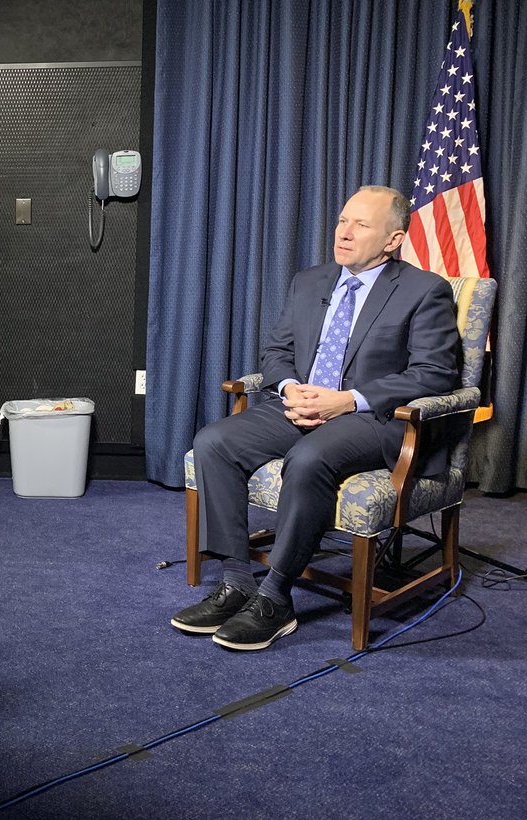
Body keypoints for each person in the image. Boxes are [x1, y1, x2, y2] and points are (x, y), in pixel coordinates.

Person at [172, 185, 461, 651]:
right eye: (342, 221)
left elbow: (435, 373)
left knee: (308, 458)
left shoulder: (424, 290)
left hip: (374, 417)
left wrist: (347, 400)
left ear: (393, 240)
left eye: (360, 225)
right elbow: (277, 351)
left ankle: (275, 597)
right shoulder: (309, 281)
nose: (343, 232)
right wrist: (291, 388)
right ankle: (237, 581)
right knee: (213, 442)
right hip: (301, 404)